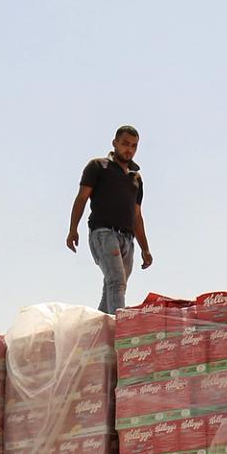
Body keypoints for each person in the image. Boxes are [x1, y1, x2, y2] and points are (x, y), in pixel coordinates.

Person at [65, 126, 152, 315]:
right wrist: (73, 229)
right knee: (116, 282)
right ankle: (120, 330)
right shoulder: (98, 166)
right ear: (115, 143)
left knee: (114, 286)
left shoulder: (135, 178)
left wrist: (145, 248)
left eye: (134, 146)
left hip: (127, 239)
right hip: (104, 233)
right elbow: (82, 198)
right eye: (125, 144)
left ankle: (99, 331)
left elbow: (137, 215)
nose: (129, 149)